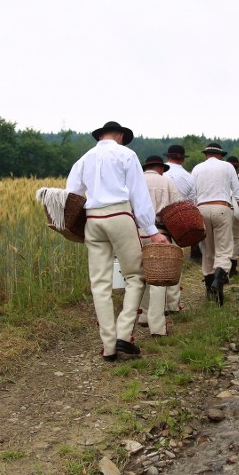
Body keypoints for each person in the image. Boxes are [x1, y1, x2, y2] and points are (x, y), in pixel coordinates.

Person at [65, 121, 169, 362]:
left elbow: (71, 193)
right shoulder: (126, 154)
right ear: (120, 135)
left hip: (93, 220)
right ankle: (124, 333)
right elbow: (138, 195)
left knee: (99, 283)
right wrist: (152, 230)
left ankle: (108, 346)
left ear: (100, 136)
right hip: (119, 216)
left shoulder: (84, 159)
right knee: (135, 276)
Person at [191, 143, 239, 306]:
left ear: (206, 155)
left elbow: (193, 195)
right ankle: (219, 279)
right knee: (224, 248)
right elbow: (238, 193)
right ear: (221, 155)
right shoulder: (228, 167)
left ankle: (211, 291)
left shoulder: (197, 169)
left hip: (201, 208)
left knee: (208, 249)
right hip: (221, 207)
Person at [136, 155, 182, 336]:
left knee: (140, 276)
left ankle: (143, 315)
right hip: (160, 233)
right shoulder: (166, 182)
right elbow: (177, 207)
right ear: (160, 168)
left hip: (136, 233)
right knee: (158, 280)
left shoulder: (136, 181)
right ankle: (157, 326)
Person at [162, 144, 195, 313]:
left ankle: (156, 305)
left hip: (156, 223)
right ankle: (173, 304)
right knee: (175, 261)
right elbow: (192, 204)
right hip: (178, 223)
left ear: (167, 157)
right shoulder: (188, 177)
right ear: (182, 158)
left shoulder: (161, 174)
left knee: (157, 263)